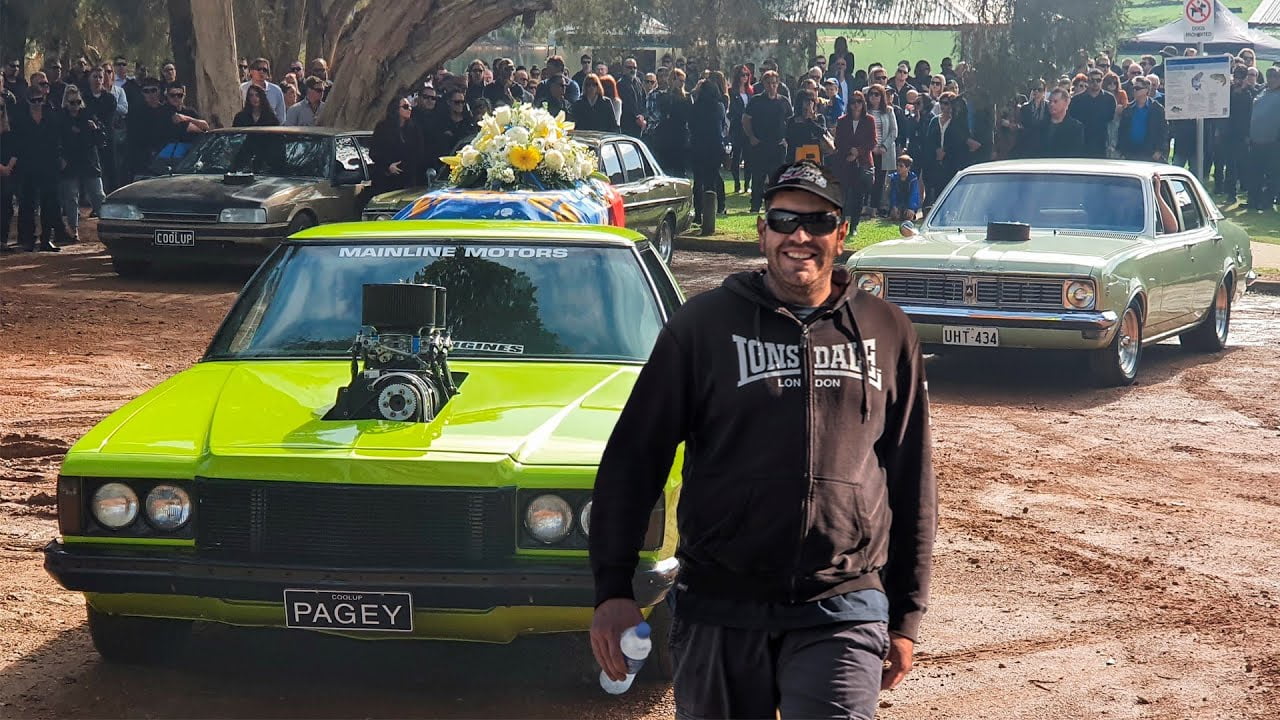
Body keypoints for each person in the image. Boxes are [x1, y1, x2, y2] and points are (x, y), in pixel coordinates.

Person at [590, 158, 935, 720]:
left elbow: (911, 476)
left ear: (842, 233)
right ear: (762, 231)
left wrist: (906, 616)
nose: (800, 236)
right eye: (783, 220)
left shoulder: (886, 330)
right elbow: (634, 459)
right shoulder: (702, 327)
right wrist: (612, 588)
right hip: (720, 601)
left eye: (817, 222)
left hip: (842, 600)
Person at [15, 86, 63, 251]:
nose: (37, 103)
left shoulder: (51, 116)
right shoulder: (21, 118)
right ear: (27, 101)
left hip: (48, 165)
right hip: (27, 166)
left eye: (39, 100)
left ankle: (46, 240)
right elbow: (18, 143)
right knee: (28, 204)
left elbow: (57, 139)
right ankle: (28, 240)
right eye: (33, 100)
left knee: (49, 203)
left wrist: (59, 158)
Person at [56, 86, 107, 243]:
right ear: (66, 102)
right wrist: (60, 158)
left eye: (78, 102)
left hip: (89, 161)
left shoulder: (89, 115)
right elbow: (55, 140)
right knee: (71, 197)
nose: (75, 106)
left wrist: (96, 129)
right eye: (72, 102)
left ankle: (107, 225)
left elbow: (102, 140)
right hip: (69, 162)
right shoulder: (61, 118)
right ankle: (73, 230)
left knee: (98, 195)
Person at [742, 70, 793, 213]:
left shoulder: (784, 101)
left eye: (774, 83)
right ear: (764, 84)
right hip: (760, 145)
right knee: (758, 178)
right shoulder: (756, 101)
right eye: (769, 83)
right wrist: (751, 137)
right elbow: (746, 119)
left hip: (778, 146)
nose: (771, 86)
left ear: (778, 84)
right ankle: (755, 206)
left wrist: (787, 139)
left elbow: (791, 121)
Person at [689, 71, 729, 224]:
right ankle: (710, 214)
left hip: (698, 146)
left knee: (698, 181)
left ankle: (698, 213)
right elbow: (722, 126)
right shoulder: (719, 107)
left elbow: (691, 126)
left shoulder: (695, 107)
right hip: (714, 147)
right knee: (711, 181)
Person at [833, 90, 878, 227]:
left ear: (863, 104)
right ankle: (841, 224)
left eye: (859, 101)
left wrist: (858, 152)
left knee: (858, 196)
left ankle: (854, 226)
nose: (856, 105)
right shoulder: (842, 120)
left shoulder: (869, 120)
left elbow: (872, 142)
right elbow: (837, 141)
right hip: (845, 162)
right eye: (853, 102)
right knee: (844, 195)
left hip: (862, 163)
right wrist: (849, 151)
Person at [369, 97, 424, 195]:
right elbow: (374, 152)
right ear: (396, 109)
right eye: (405, 107)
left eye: (410, 107)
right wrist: (388, 166)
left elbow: (419, 151)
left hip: (407, 180)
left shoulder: (414, 128)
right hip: (386, 180)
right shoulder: (383, 128)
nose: (409, 109)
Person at [865, 84, 898, 217]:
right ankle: (865, 206)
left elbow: (894, 131)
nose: (873, 97)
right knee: (867, 179)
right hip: (868, 151)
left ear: (882, 96)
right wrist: (871, 147)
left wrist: (884, 146)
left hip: (884, 151)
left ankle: (874, 208)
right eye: (871, 94)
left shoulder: (888, 111)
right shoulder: (865, 111)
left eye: (877, 94)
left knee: (880, 180)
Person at [1116, 76, 1166, 162]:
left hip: (1150, 153)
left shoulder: (1157, 109)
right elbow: (1122, 131)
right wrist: (1122, 151)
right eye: (1133, 88)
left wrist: (1159, 151)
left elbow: (1163, 131)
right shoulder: (1128, 108)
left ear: (1146, 90)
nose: (1134, 90)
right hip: (1130, 153)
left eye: (1137, 88)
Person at [785, 89, 834, 168]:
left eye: (812, 101)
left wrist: (809, 120)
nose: (809, 103)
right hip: (796, 160)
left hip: (814, 158)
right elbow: (790, 139)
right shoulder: (792, 121)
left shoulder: (819, 118)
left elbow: (822, 132)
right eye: (807, 101)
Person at [728, 65, 754, 195]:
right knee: (736, 157)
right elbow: (731, 111)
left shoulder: (751, 91)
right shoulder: (731, 92)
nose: (745, 77)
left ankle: (747, 184)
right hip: (737, 128)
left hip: (748, 128)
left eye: (747, 75)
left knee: (749, 157)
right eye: (742, 75)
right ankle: (737, 183)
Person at [239, 58, 287, 123]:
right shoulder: (242, 88)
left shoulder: (276, 90)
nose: (261, 72)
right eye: (258, 69)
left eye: (264, 70)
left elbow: (281, 117)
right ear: (251, 71)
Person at [0, 101, 17, 251]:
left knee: (6, 207)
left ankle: (3, 240)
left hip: (8, 173)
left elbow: (16, 150)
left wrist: (8, 167)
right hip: (3, 170)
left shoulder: (9, 129)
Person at [887, 154, 922, 221]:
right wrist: (894, 206)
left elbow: (914, 194)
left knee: (908, 217)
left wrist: (911, 208)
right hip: (898, 204)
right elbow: (893, 193)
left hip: (908, 205)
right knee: (894, 216)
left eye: (901, 166)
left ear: (907, 168)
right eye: (897, 165)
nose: (898, 168)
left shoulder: (913, 179)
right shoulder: (894, 178)